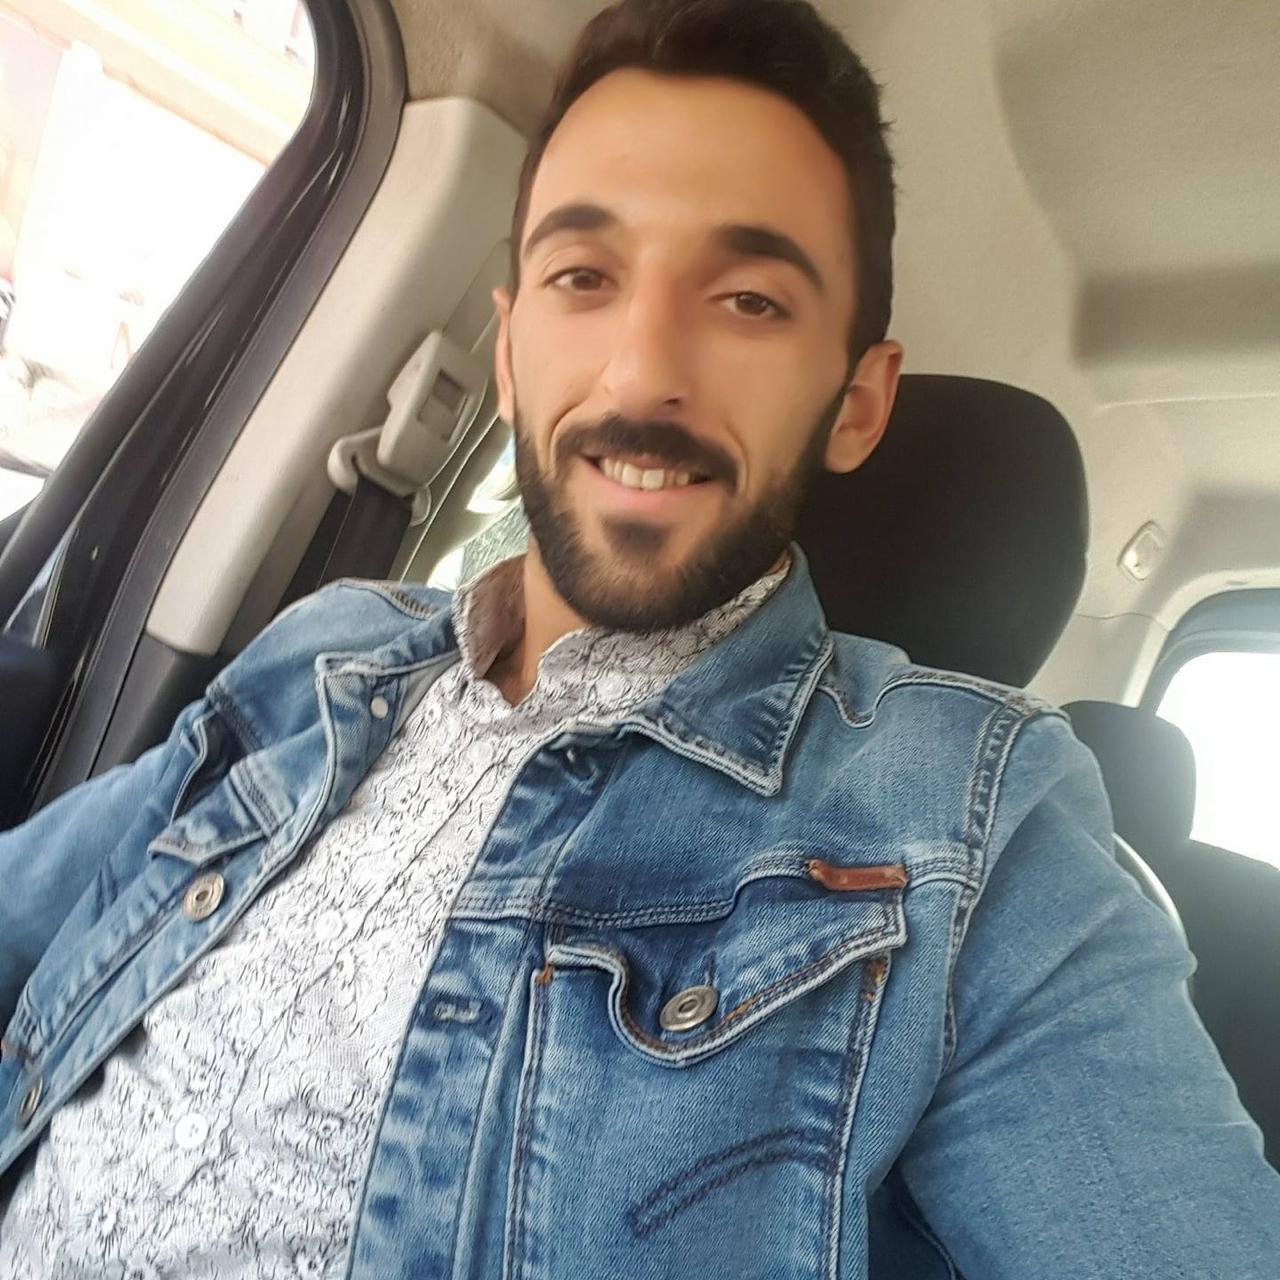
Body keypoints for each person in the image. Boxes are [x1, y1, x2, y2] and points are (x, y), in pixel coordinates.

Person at [1, 1, 1277, 1275]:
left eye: (747, 299)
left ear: (854, 401)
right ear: (509, 351)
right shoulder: (328, 651)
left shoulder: (967, 826)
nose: (638, 371)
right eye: (582, 277)